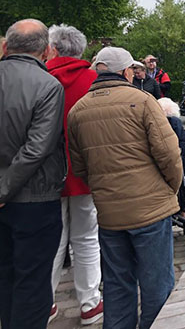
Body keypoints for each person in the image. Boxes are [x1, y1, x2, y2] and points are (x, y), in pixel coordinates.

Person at [67, 46, 183, 329]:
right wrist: (171, 189)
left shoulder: (78, 110)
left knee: (117, 285)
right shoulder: (143, 101)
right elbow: (169, 155)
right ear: (126, 71)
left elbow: (79, 167)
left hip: (109, 214)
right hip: (150, 210)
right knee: (157, 286)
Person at [0, 19, 66, 329]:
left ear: (5, 46)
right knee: (33, 282)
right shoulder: (48, 86)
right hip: (34, 199)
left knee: (6, 277)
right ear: (46, 51)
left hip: (14, 196)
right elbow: (38, 148)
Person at [46, 24, 103, 325]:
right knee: (86, 238)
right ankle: (89, 303)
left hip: (47, 175)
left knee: (52, 239)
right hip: (86, 171)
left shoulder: (40, 77)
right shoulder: (94, 80)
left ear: (53, 48)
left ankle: (45, 302)